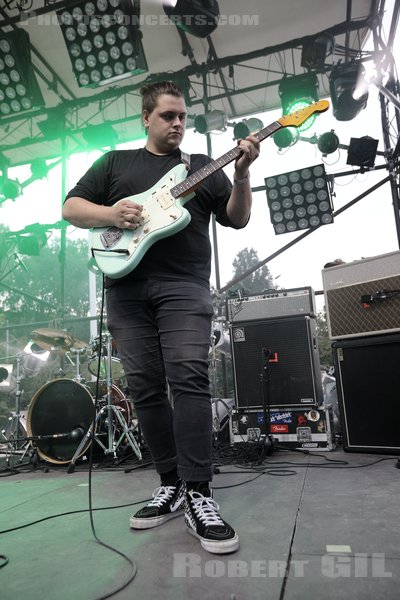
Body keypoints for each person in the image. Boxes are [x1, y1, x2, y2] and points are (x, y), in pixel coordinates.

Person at [62, 80, 260, 555]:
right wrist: (111, 214)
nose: (177, 124)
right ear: (146, 119)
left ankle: (199, 492)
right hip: (125, 288)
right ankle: (170, 483)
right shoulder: (114, 163)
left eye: (183, 117)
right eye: (168, 116)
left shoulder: (203, 169)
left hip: (184, 285)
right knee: (145, 385)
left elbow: (238, 219)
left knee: (188, 377)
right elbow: (71, 207)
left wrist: (244, 173)